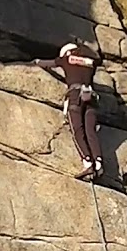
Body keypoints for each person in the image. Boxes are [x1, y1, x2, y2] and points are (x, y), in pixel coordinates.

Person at [32, 42, 105, 180]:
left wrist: (36, 62)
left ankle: (87, 162)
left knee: (77, 129)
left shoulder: (66, 59)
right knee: (90, 131)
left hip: (75, 96)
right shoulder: (90, 62)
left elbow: (49, 63)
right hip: (91, 97)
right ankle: (99, 163)